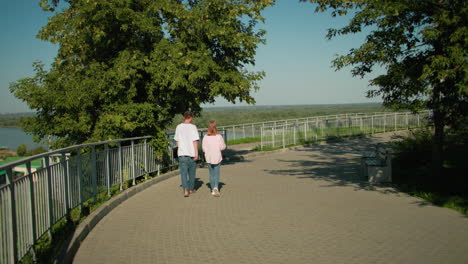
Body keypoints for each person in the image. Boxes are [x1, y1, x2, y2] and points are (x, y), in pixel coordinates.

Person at [174, 111, 200, 197]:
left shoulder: (178, 127)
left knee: (183, 173)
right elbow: (195, 141)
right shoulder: (193, 127)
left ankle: (185, 189)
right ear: (191, 117)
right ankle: (191, 189)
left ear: (184, 117)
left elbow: (177, 141)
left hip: (182, 153)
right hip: (191, 153)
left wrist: (180, 148)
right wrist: (196, 153)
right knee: (192, 173)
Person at [202, 120, 226, 197]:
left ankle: (212, 189)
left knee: (211, 173)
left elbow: (203, 148)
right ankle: (216, 187)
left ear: (208, 128)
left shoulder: (205, 137)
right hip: (217, 157)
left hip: (209, 157)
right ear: (216, 128)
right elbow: (222, 147)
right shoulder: (219, 137)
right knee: (217, 173)